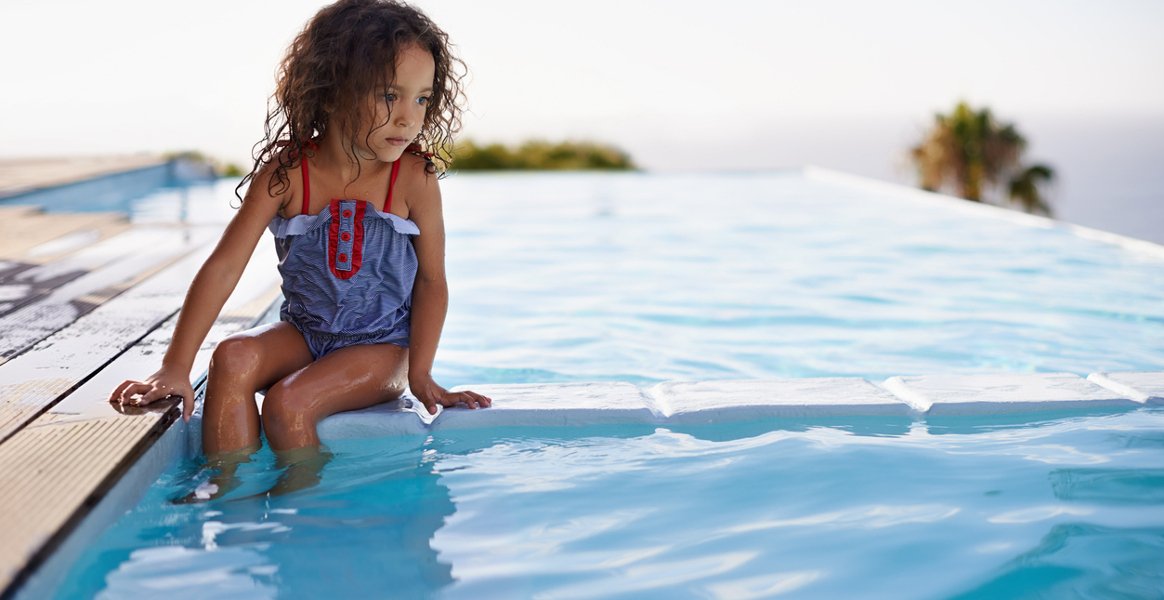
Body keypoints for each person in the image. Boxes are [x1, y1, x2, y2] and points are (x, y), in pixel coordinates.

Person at [109, 0, 490, 493]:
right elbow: (224, 267)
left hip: (379, 348)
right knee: (231, 357)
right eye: (389, 95)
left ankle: (299, 510)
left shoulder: (412, 179)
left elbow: (433, 280)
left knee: (290, 402)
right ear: (331, 92)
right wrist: (175, 366)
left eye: (421, 98)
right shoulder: (288, 175)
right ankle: (228, 495)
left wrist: (421, 374)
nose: (408, 117)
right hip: (306, 334)